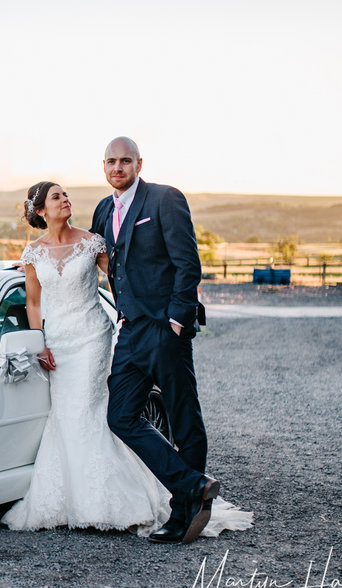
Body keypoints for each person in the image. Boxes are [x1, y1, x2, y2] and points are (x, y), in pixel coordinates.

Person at [90, 136, 249, 544]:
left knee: (182, 417)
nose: (118, 167)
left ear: (139, 164)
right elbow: (88, 251)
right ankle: (193, 485)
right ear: (103, 166)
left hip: (164, 327)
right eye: (111, 161)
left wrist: (178, 319)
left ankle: (183, 515)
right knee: (120, 416)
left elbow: (187, 262)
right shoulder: (104, 209)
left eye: (125, 161)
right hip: (130, 330)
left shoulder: (165, 199)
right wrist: (38, 253)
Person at [2, 180, 170, 533]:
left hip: (93, 337)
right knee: (66, 416)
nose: (65, 200)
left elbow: (119, 278)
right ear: (41, 211)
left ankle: (114, 500)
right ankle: (71, 500)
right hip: (58, 345)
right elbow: (33, 302)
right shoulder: (33, 253)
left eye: (65, 195)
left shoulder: (92, 242)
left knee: (90, 411)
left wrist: (137, 312)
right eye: (56, 197)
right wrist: (39, 344)